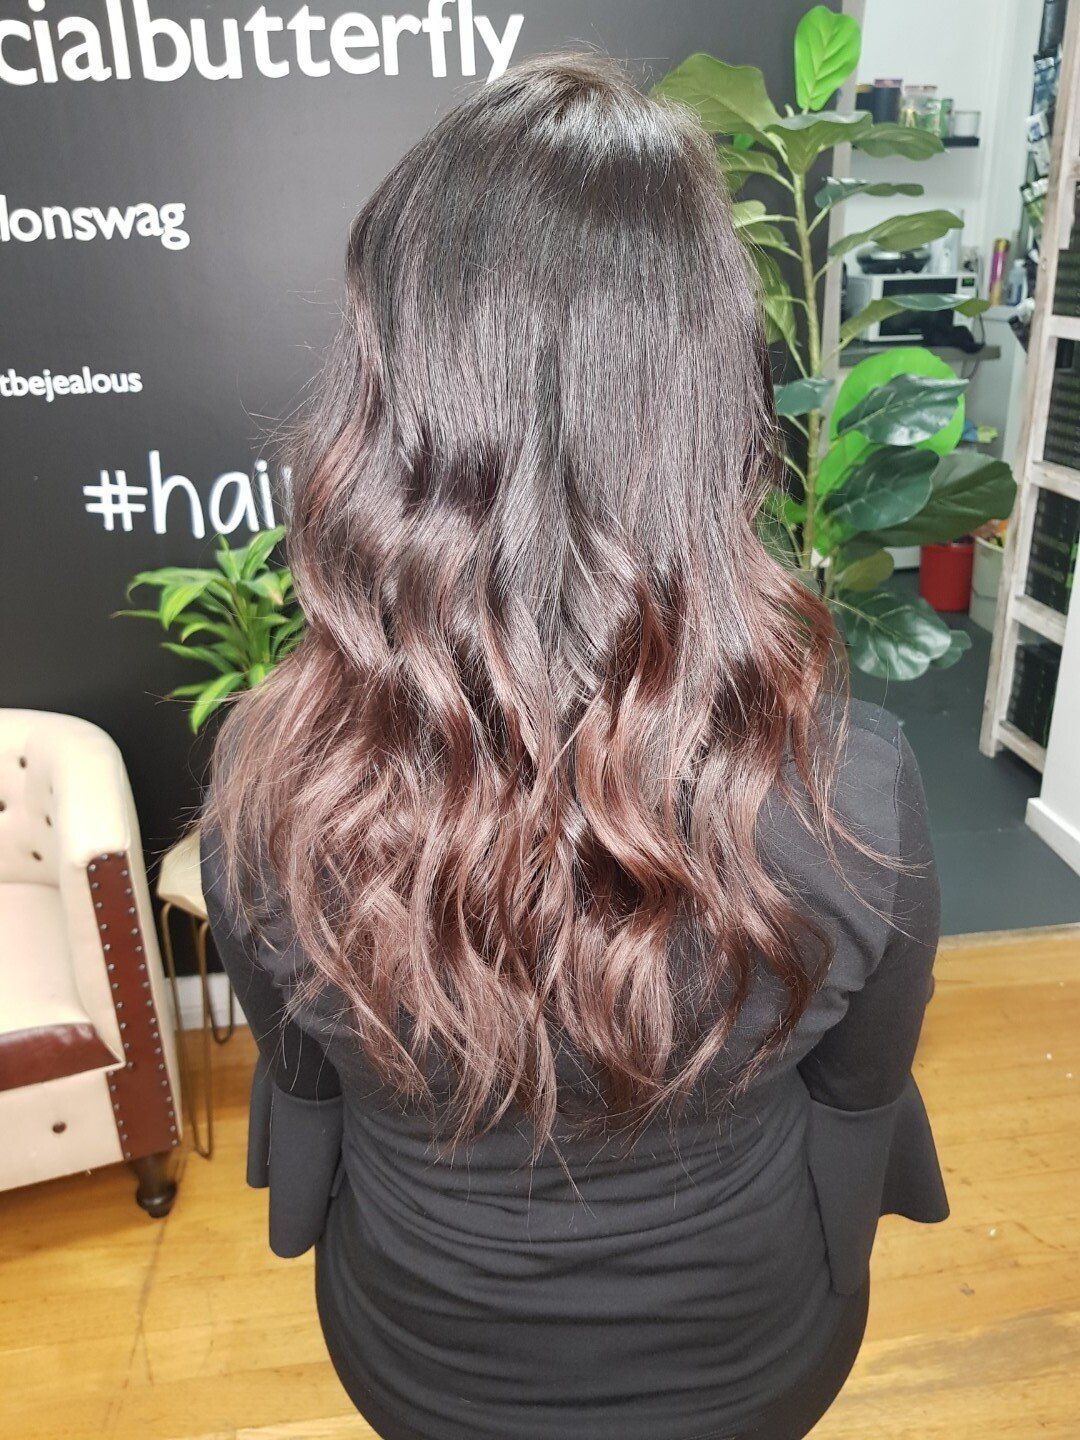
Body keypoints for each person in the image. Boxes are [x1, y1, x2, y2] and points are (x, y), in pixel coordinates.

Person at [200, 53, 948, 1440]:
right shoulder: (857, 786)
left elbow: (301, 1073)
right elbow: (860, 1094)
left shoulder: (271, 782)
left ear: (394, 388)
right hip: (753, 1357)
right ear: (708, 395)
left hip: (421, 1361)